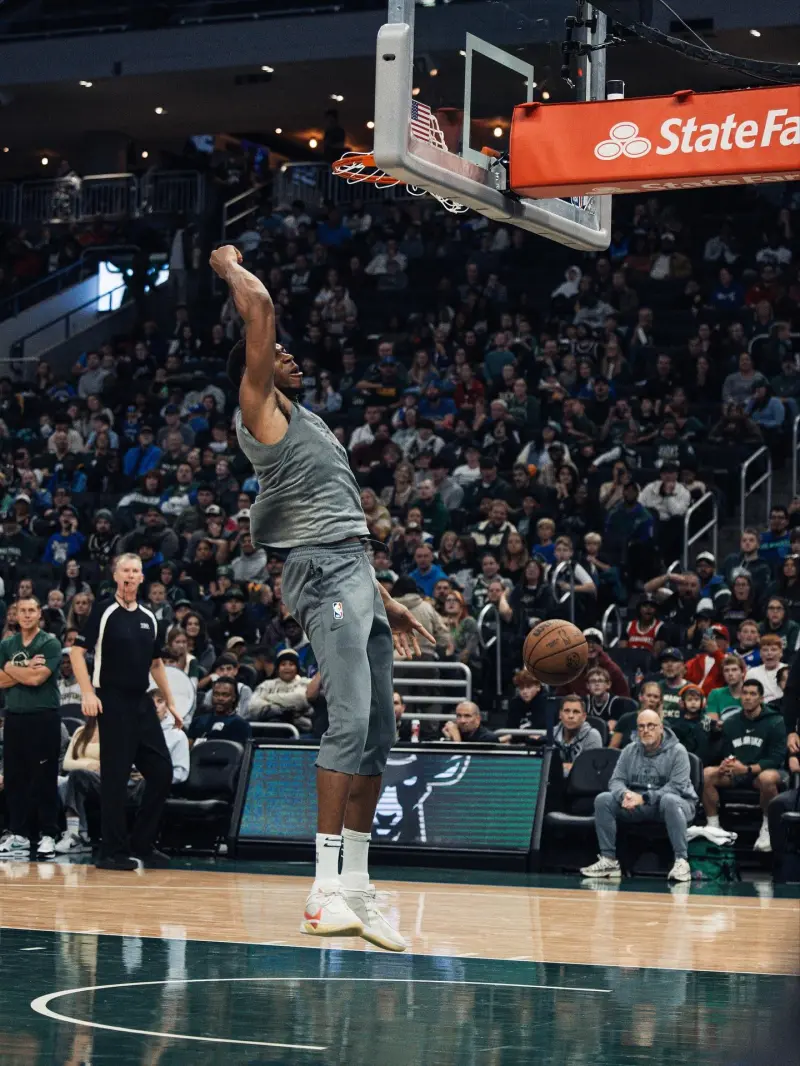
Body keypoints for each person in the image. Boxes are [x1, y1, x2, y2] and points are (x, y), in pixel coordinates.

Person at [213, 244, 432, 952]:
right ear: (255, 370)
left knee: (379, 730)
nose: (290, 357)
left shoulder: (308, 422)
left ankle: (359, 886)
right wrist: (228, 264)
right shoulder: (259, 413)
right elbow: (261, 307)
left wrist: (384, 597)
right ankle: (322, 889)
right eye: (278, 355)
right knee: (347, 720)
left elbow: (338, 522)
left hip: (355, 573)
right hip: (323, 577)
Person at [69, 553, 179, 871]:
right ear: (116, 576)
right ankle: (111, 852)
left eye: (136, 571)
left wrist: (171, 702)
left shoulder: (149, 616)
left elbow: (156, 663)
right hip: (111, 699)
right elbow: (76, 652)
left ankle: (142, 844)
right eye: (125, 571)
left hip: (141, 701)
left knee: (161, 772)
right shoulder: (104, 611)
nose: (131, 576)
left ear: (142, 577)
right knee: (115, 779)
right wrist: (88, 692)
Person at [581, 709, 697, 882]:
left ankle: (681, 861)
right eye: (641, 726)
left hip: (676, 805)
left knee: (669, 800)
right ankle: (609, 860)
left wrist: (643, 798)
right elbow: (616, 781)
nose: (645, 730)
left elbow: (676, 787)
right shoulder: (629, 750)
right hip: (638, 804)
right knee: (604, 799)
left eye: (651, 726)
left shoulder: (678, 751)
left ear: (661, 728)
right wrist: (624, 794)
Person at [0, 598, 63, 860]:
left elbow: (38, 679)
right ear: (15, 615)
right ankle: (19, 834)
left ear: (39, 615)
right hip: (14, 717)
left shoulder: (50, 643)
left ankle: (49, 833)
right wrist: (25, 666)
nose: (26, 615)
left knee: (44, 776)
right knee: (15, 777)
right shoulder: (6, 644)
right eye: (22, 611)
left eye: (31, 611)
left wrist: (9, 667)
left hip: (44, 716)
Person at [702, 678, 787, 852]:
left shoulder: (776, 721)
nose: (748, 697)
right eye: (745, 693)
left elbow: (776, 758)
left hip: (765, 772)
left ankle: (767, 828)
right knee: (706, 774)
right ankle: (713, 826)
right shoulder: (731, 722)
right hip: (738, 772)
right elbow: (726, 751)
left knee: (767, 778)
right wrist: (727, 763)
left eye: (753, 694)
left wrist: (747, 769)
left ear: (761, 698)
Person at [187, 677, 252, 744]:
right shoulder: (198, 721)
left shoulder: (241, 725)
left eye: (225, 695)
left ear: (234, 698)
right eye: (216, 694)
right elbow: (189, 746)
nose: (220, 698)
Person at [553, 695, 602, 774]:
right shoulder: (552, 733)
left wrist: (562, 767)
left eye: (576, 712)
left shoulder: (592, 735)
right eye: (566, 711)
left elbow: (592, 769)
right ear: (560, 714)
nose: (570, 716)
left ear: (584, 717)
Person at [746, 634, 786, 703]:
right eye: (765, 650)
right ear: (760, 653)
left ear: (781, 653)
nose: (769, 653)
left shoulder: (789, 671)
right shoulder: (752, 673)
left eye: (773, 650)